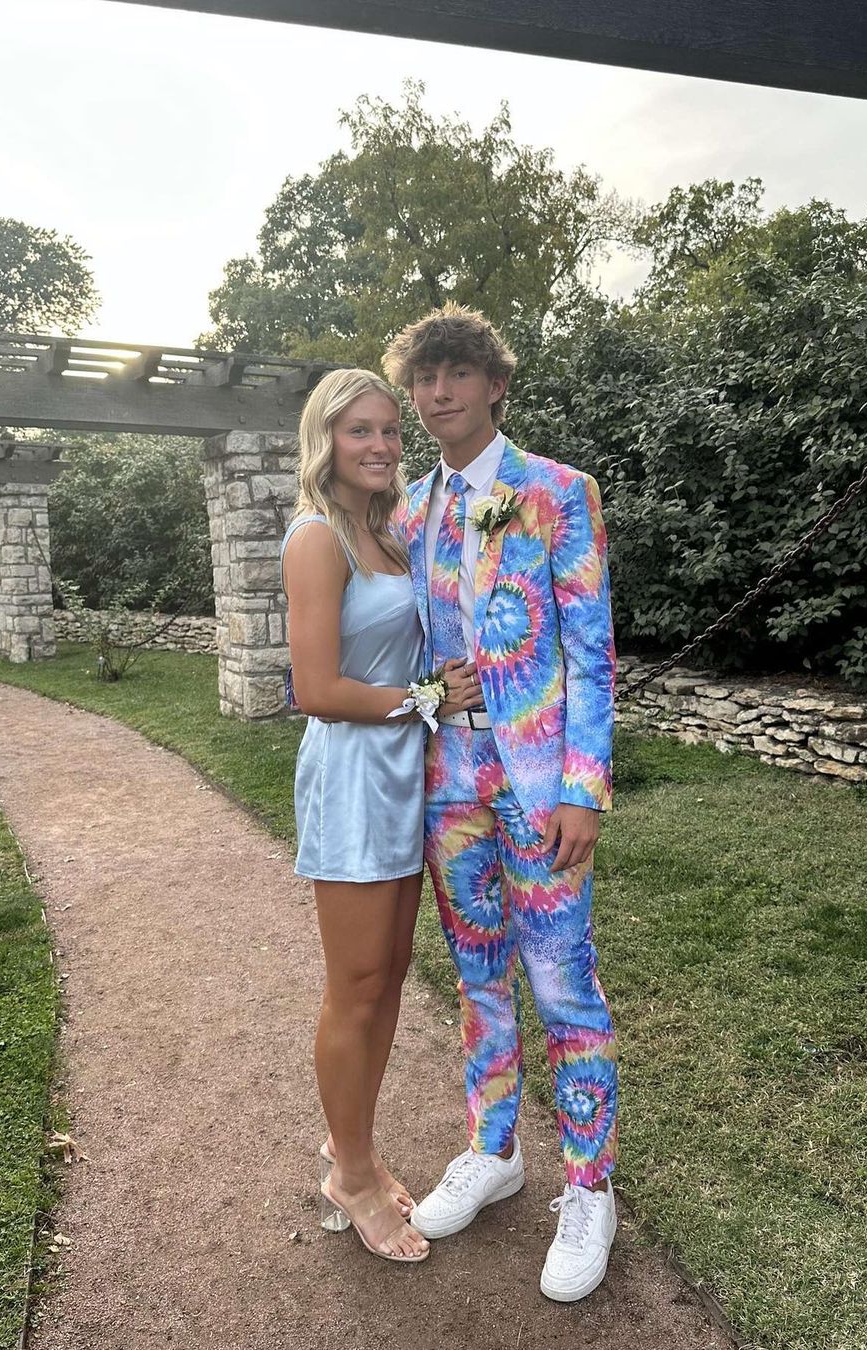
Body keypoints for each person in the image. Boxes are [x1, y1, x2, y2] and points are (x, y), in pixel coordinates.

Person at [383, 305, 620, 1301]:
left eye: (456, 373)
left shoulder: (559, 493)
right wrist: (429, 696)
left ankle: (589, 1186)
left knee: (563, 986)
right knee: (478, 981)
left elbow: (592, 654)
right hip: (450, 784)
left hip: (539, 784)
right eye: (424, 377)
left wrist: (583, 789)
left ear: (495, 384)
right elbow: (398, 658)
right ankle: (494, 1150)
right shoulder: (410, 513)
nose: (438, 392)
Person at [281, 367, 482, 1264]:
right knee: (355, 984)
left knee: (390, 976)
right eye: (359, 429)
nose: (381, 444)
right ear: (326, 440)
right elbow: (317, 689)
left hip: (406, 770)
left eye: (390, 429)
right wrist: (428, 696)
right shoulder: (317, 538)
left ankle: (350, 1143)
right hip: (354, 778)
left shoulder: (391, 530)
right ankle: (352, 1177)